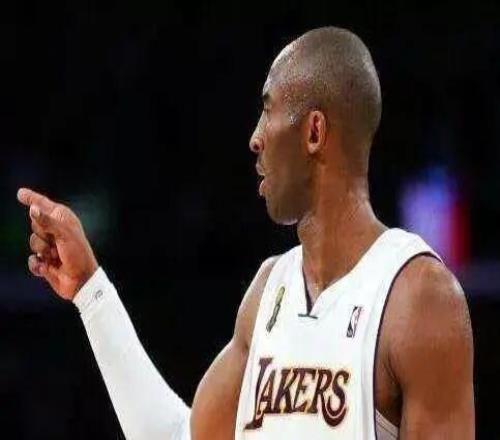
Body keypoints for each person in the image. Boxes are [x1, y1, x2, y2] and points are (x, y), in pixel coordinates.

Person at [17, 26, 474, 439]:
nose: (255, 137)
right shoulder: (267, 294)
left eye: (268, 110)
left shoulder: (418, 298)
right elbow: (176, 436)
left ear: (314, 131)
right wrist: (90, 289)